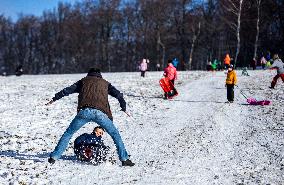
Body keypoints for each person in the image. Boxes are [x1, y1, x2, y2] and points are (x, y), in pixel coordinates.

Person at [45, 68, 135, 166]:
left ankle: (54, 157)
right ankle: (124, 159)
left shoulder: (83, 81)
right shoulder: (105, 84)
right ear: (99, 75)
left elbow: (67, 90)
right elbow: (119, 95)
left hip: (84, 112)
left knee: (68, 133)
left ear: (89, 74)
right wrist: (124, 107)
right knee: (115, 134)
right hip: (101, 114)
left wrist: (54, 99)